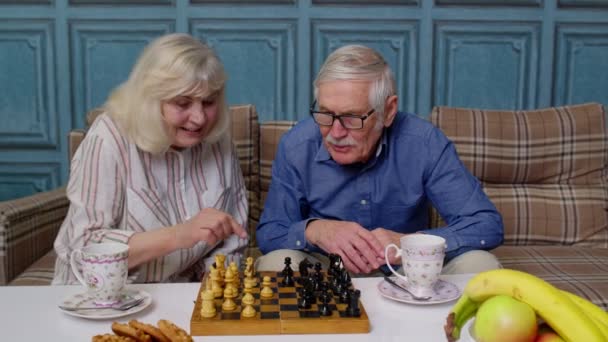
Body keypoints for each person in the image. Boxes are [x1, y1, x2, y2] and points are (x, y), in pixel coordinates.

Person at [255, 45, 504, 275]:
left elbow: (486, 225)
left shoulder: (424, 142)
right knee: (277, 264)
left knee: (481, 265)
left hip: (409, 268)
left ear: (388, 111)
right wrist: (315, 230)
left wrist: (410, 243)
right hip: (326, 276)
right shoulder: (297, 146)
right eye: (326, 114)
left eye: (352, 117)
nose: (336, 133)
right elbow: (270, 233)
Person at [52, 33, 248, 284]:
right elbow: (82, 247)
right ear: (151, 100)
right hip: (103, 297)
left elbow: (232, 237)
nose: (199, 118)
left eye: (208, 102)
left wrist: (215, 280)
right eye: (182, 103)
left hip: (180, 296)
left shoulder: (218, 139)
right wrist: (178, 235)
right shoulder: (109, 137)